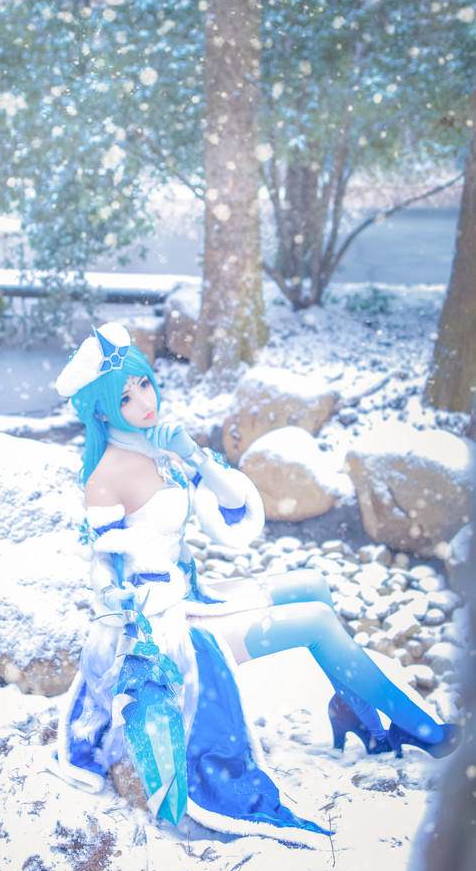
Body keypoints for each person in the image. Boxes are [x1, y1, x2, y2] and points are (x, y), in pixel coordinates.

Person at [53, 323, 460, 839]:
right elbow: (104, 572)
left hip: (189, 595)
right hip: (163, 629)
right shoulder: (105, 477)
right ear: (102, 411)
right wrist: (129, 608)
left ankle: (356, 712)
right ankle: (421, 730)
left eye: (145, 385)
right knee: (316, 622)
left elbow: (232, 506)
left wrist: (192, 453)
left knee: (313, 582)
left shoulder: (158, 447)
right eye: (125, 397)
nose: (144, 401)